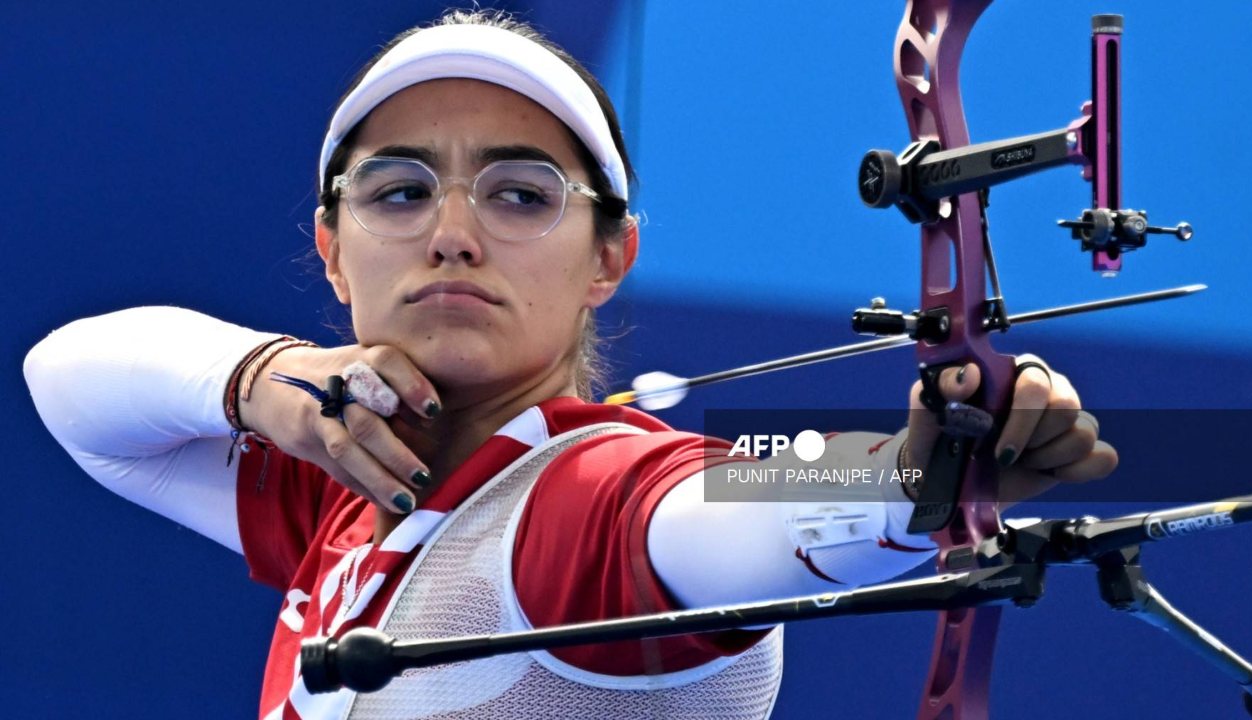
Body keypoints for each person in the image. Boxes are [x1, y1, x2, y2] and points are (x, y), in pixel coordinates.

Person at [23, 9, 1116, 719]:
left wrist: (907, 479)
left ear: (608, 259)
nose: (452, 233)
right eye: (399, 191)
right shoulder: (340, 490)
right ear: (331, 247)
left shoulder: (592, 498)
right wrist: (263, 380)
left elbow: (729, 504)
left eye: (518, 195)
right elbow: (69, 384)